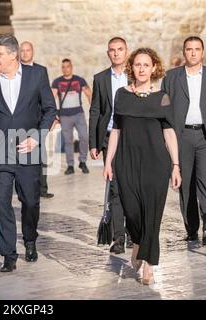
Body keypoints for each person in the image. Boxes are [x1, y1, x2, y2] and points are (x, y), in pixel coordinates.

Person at [0, 34, 56, 272]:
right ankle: (9, 254)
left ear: (13, 55)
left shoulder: (37, 75)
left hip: (29, 151)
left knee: (30, 200)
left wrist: (37, 138)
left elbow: (50, 110)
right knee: (1, 203)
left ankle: (30, 239)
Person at [103, 48, 181, 285]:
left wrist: (175, 165)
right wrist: (108, 161)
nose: (142, 69)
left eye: (146, 65)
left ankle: (148, 264)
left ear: (154, 68)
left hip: (156, 163)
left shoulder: (162, 97)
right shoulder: (121, 95)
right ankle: (137, 243)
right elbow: (116, 129)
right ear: (132, 67)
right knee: (132, 210)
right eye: (138, 64)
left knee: (152, 213)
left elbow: (169, 132)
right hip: (126, 161)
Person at [161, 36, 206, 245]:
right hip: (181, 137)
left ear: (203, 52)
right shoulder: (171, 77)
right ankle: (191, 229)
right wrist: (164, 137)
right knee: (185, 185)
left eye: (197, 49)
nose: (193, 53)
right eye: (189, 49)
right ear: (184, 52)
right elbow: (164, 109)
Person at [89, 37, 131, 254]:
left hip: (134, 138)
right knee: (114, 188)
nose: (116, 53)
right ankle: (118, 238)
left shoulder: (136, 74)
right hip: (108, 138)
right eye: (112, 50)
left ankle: (133, 232)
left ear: (126, 51)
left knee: (132, 186)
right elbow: (95, 110)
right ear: (108, 53)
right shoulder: (100, 78)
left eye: (120, 49)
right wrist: (93, 142)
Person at [20, 41, 55, 199]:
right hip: (21, 121)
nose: (25, 53)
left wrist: (49, 118)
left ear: (32, 52)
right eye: (23, 50)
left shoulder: (41, 71)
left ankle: (42, 188)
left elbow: (45, 97)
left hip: (38, 120)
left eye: (28, 50)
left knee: (41, 155)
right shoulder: (16, 71)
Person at [52, 59, 92, 175]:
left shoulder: (79, 80)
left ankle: (83, 161)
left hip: (79, 114)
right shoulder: (57, 82)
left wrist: (94, 110)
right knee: (68, 141)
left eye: (67, 66)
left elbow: (89, 94)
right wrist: (53, 114)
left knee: (84, 137)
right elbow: (51, 98)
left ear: (71, 67)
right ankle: (70, 165)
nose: (65, 69)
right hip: (65, 116)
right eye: (63, 67)